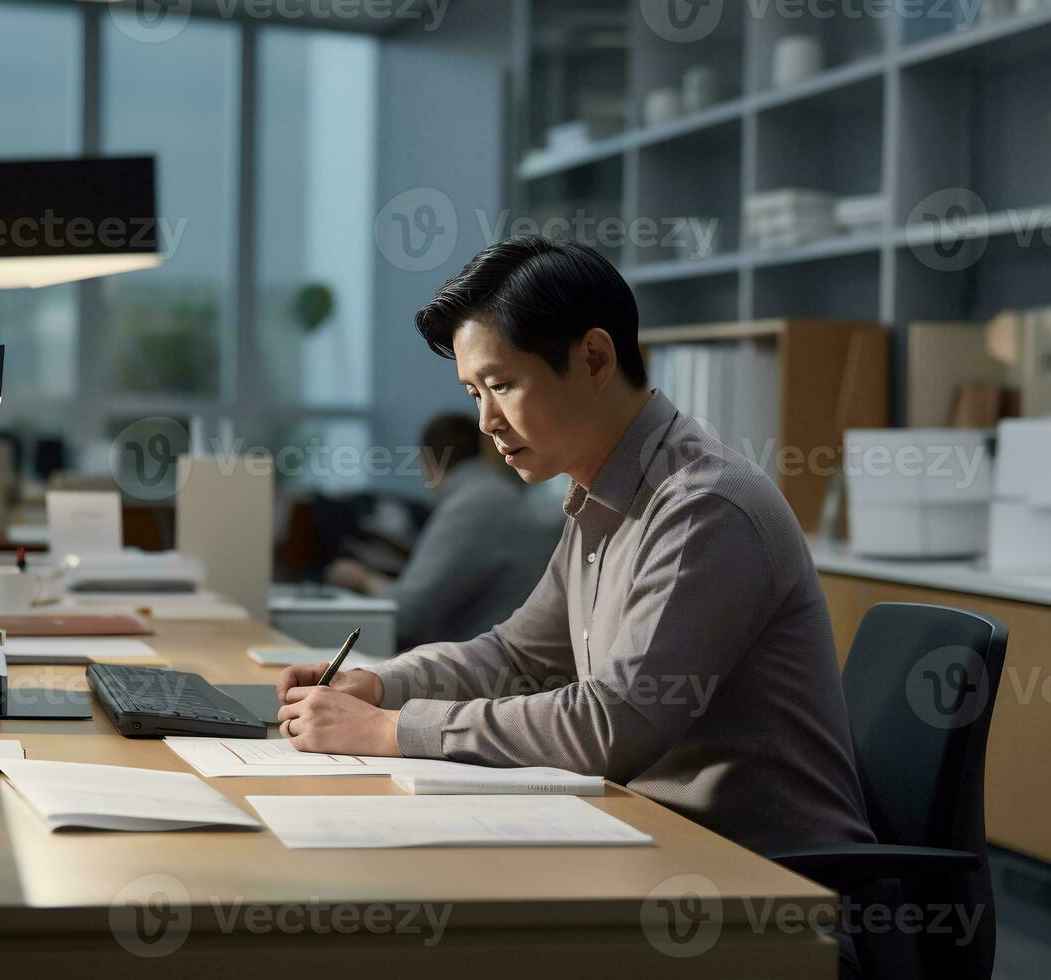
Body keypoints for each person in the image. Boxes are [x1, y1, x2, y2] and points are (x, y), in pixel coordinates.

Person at [278, 234, 873, 860]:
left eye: (500, 384)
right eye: (473, 394)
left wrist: (395, 731)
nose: (485, 421)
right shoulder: (603, 498)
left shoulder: (703, 507)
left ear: (593, 359)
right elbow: (517, 656)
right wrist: (381, 686)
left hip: (773, 886)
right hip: (656, 844)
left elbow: (612, 725)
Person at [325, 413, 560, 650]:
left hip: (483, 666)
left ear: (427, 460)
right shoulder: (495, 493)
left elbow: (408, 616)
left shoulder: (474, 503)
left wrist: (361, 579)